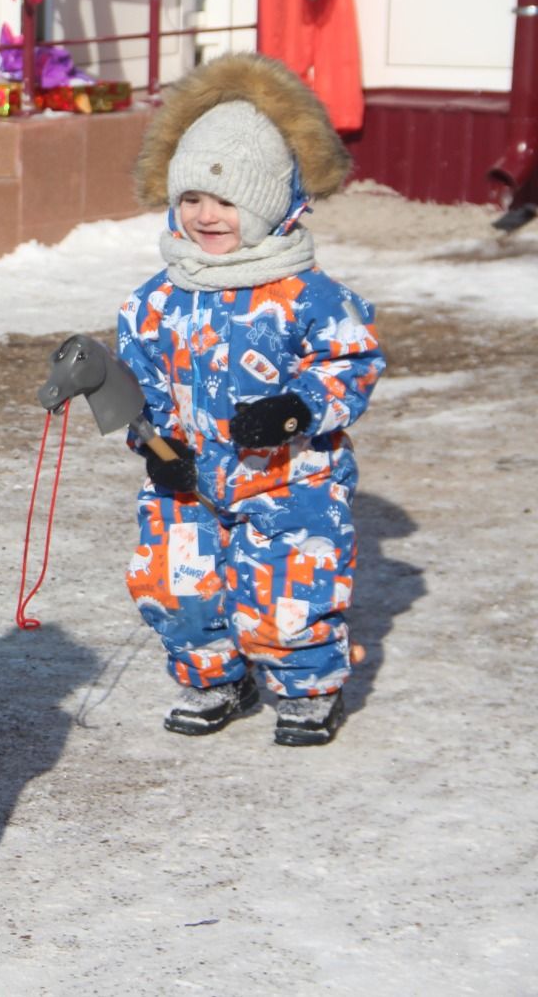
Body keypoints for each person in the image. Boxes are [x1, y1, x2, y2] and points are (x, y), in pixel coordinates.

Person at [116, 53, 386, 747]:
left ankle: (305, 689)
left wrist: (298, 410)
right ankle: (214, 677)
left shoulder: (308, 295)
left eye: (227, 200)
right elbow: (137, 385)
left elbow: (352, 362)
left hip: (290, 478)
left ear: (268, 203)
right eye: (192, 199)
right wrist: (153, 447)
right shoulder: (157, 299)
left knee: (289, 590)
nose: (206, 215)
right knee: (177, 586)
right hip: (188, 473)